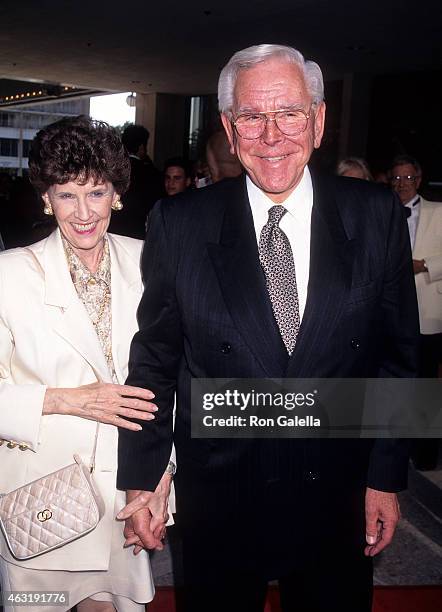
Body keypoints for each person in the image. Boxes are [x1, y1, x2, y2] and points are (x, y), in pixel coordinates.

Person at [117, 44, 419, 612]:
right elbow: (154, 360)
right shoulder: (180, 223)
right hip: (220, 495)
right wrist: (142, 475)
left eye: (290, 113)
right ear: (230, 130)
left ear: (320, 120)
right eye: (253, 117)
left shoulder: (376, 215)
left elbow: (398, 357)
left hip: (337, 491)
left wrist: (385, 476)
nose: (272, 134)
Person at [0, 116, 172, 612]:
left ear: (116, 194)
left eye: (95, 193)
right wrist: (72, 401)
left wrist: (161, 479)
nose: (83, 213)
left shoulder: (149, 263)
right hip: (43, 502)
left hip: (126, 494)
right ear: (45, 197)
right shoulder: (11, 275)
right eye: (66, 194)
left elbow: (170, 382)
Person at [390, 154, 442, 469]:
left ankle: (424, 454)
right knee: (396, 385)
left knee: (425, 387)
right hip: (392, 316)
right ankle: (395, 450)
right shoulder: (382, 208)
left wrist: (423, 266)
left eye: (408, 178)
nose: (402, 184)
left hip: (428, 313)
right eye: (396, 178)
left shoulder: (438, 212)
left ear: (418, 180)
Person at [108, 124, 162, 239]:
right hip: (137, 236)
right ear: (142, 147)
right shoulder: (151, 174)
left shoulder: (110, 171)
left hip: (111, 234)